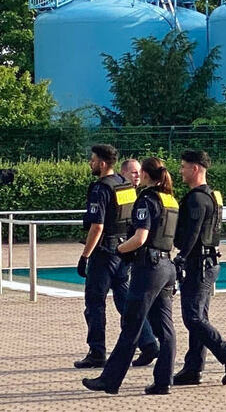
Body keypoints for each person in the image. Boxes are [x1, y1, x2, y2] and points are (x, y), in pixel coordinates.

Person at [83, 157, 179, 395]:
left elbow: (140, 238)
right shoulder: (171, 200)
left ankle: (110, 380)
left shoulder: (147, 199)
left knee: (131, 325)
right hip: (167, 266)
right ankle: (163, 381)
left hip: (149, 268)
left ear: (145, 174)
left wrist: (118, 250)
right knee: (166, 329)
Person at [75, 145, 159, 369]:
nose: (91, 163)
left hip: (103, 255)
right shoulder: (125, 187)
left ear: (103, 164)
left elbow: (97, 226)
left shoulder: (101, 189)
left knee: (95, 304)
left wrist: (85, 256)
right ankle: (149, 342)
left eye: (93, 160)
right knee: (126, 303)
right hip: (122, 252)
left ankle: (97, 352)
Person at [171, 150, 226, 386]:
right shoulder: (213, 196)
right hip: (210, 262)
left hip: (199, 264)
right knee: (199, 316)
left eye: (184, 166)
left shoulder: (196, 198)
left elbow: (192, 233)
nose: (181, 170)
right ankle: (193, 368)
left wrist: (181, 257)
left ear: (195, 169)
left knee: (192, 317)